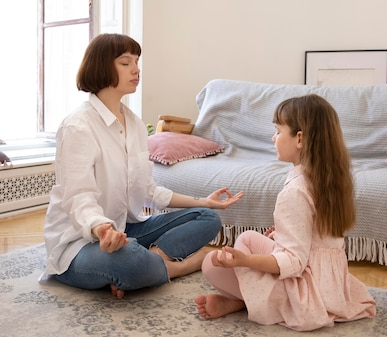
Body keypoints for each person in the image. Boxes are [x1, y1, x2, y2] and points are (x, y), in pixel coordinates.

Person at [43, 33, 243, 299]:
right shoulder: (78, 126)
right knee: (127, 260)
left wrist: (204, 202)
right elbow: (78, 197)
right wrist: (102, 228)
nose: (136, 69)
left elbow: (148, 188)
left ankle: (151, 260)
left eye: (136, 61)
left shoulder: (135, 124)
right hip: (79, 243)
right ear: (102, 66)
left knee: (208, 218)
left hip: (125, 229)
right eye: (125, 63)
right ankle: (179, 266)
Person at [194, 94, 376, 331]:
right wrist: (279, 238)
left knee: (211, 263)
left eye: (278, 131)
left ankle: (243, 301)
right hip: (329, 285)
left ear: (299, 138)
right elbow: (315, 240)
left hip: (307, 293)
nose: (274, 137)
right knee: (247, 238)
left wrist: (245, 261)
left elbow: (294, 263)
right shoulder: (332, 181)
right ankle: (243, 299)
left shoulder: (295, 193)